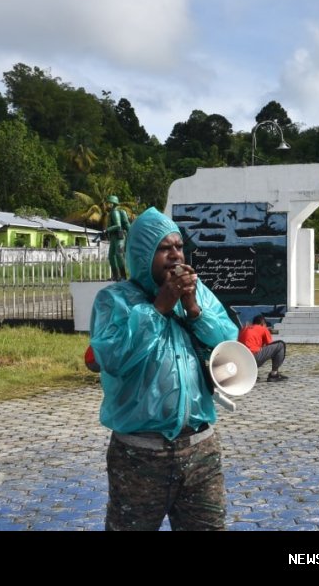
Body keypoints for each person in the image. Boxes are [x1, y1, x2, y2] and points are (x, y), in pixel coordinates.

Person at [90, 207, 239, 530]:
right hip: (140, 456)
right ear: (143, 255)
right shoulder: (114, 301)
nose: (175, 254)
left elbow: (228, 344)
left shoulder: (197, 294)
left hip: (201, 450)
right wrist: (161, 305)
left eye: (179, 246)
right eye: (163, 248)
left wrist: (193, 309)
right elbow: (114, 357)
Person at [237, 314, 288, 382]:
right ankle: (274, 374)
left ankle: (250, 374)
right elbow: (270, 345)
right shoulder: (263, 328)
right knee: (280, 345)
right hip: (253, 358)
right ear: (262, 324)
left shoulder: (244, 329)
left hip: (240, 360)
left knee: (254, 349)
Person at [104, 195, 131, 282]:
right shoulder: (111, 213)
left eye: (109, 203)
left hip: (120, 237)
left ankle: (123, 276)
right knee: (111, 256)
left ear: (113, 204)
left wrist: (106, 230)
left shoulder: (115, 212)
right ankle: (115, 276)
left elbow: (118, 225)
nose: (107, 205)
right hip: (114, 237)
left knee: (119, 255)